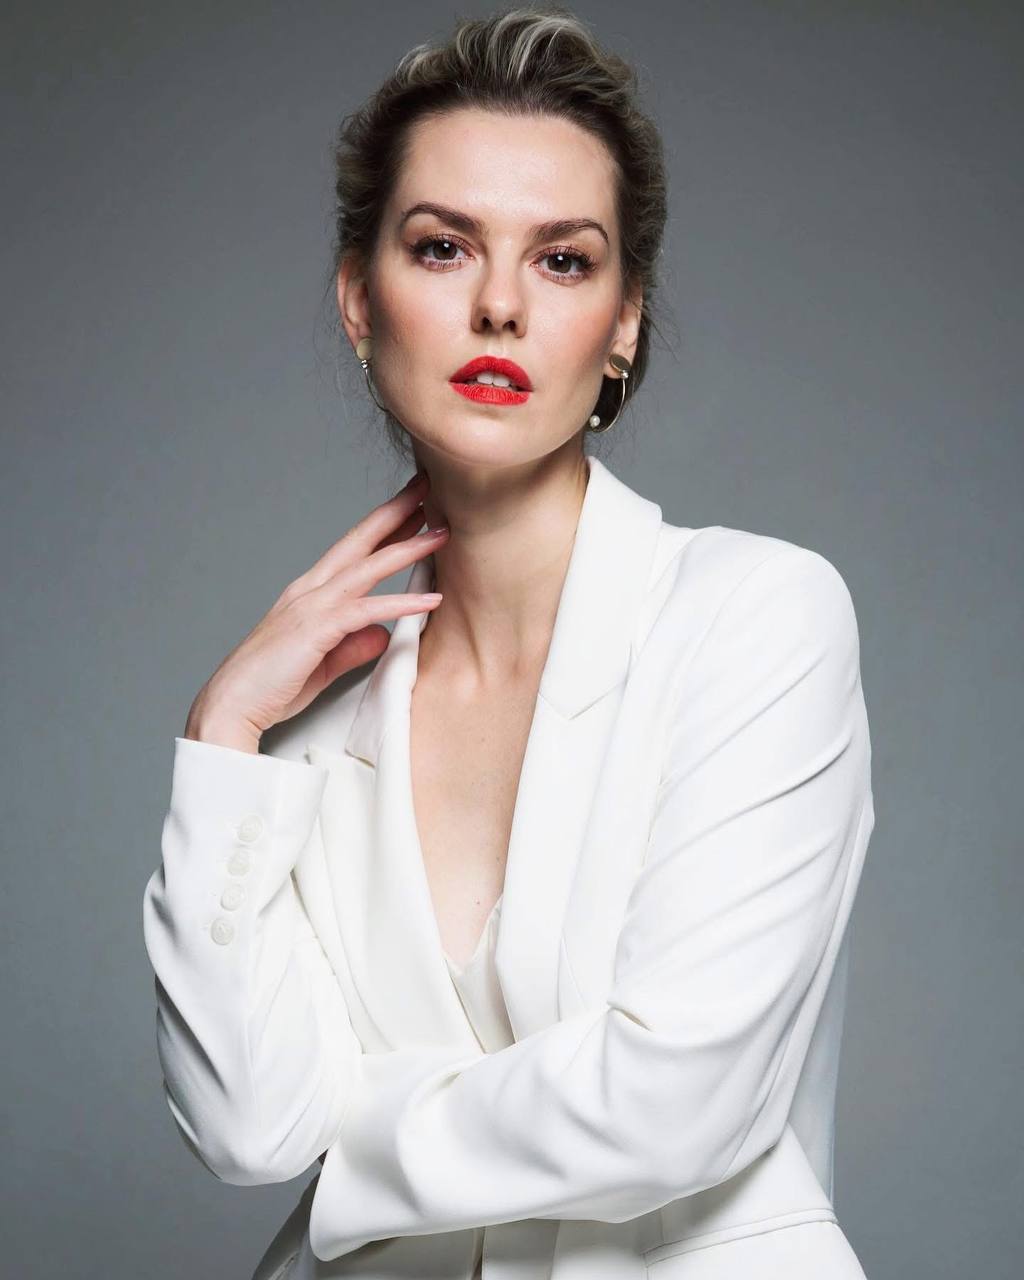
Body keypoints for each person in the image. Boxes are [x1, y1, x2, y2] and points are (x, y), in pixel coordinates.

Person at [142, 7, 875, 1279]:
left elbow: (671, 1104)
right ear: (359, 300)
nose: (497, 304)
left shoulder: (757, 619)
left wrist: (352, 1140)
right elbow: (251, 1127)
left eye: (563, 261)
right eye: (442, 247)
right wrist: (222, 734)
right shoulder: (306, 728)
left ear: (625, 319)